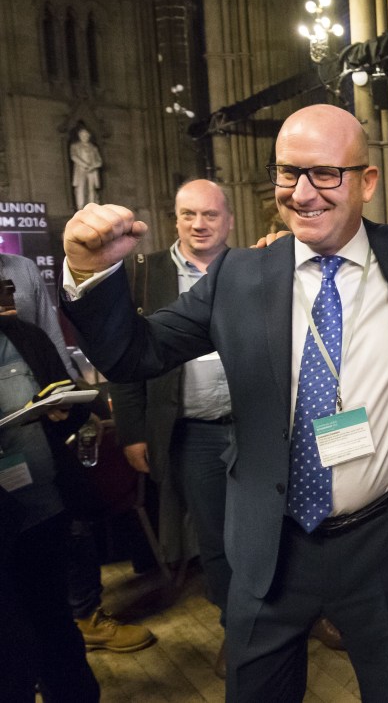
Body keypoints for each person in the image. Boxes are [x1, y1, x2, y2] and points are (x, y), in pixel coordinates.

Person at [59, 104, 388, 703]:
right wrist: (90, 273)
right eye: (287, 174)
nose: (302, 194)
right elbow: (133, 354)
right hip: (267, 544)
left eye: (325, 173)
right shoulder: (238, 275)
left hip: (381, 540)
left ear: (368, 181)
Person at [108, 178, 235, 675]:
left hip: (256, 427)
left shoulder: (249, 269)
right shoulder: (145, 274)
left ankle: (303, 613)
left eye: (209, 215)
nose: (198, 225)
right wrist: (134, 430)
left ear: (228, 220)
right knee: (218, 541)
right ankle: (237, 630)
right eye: (188, 215)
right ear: (174, 218)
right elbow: (124, 357)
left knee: (282, 528)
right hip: (194, 433)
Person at [0, 252, 155, 654]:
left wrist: (67, 398)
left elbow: (49, 340)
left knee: (68, 522)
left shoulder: (21, 274)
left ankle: (85, 617)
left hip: (42, 444)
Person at [0, 315, 99, 702]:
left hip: (42, 509)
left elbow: (69, 403)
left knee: (54, 625)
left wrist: (63, 409)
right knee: (11, 650)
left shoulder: (24, 336)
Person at [70, 127, 103, 210]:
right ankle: (80, 207)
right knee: (80, 188)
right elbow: (74, 156)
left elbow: (99, 161)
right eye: (83, 135)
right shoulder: (75, 146)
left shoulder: (93, 148)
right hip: (81, 170)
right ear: (80, 136)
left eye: (86, 135)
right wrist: (85, 165)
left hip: (92, 171)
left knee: (91, 190)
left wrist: (93, 166)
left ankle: (92, 207)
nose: (85, 137)